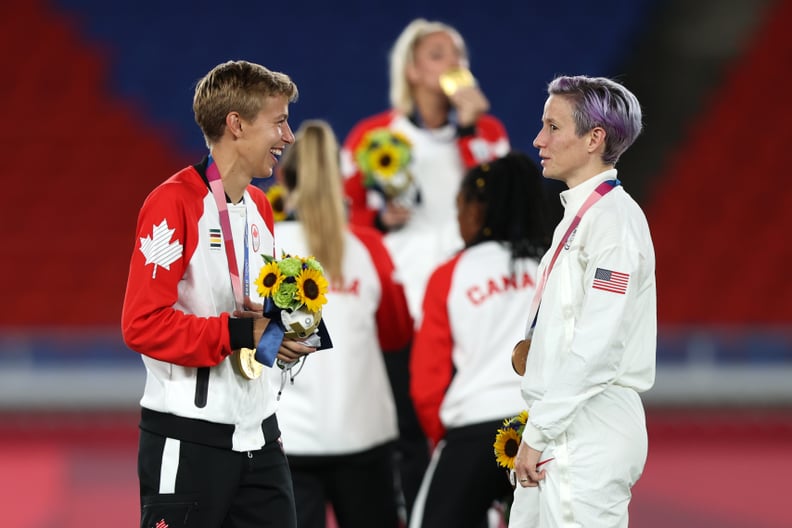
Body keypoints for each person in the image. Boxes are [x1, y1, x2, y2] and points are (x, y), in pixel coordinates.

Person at [121, 60, 317, 528]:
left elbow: (250, 317)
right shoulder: (173, 203)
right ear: (237, 124)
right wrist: (242, 331)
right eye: (278, 121)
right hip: (189, 440)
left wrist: (277, 339)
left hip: (260, 437)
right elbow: (142, 324)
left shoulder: (261, 207)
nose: (288, 137)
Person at [340, 18, 510, 518]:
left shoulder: (486, 134)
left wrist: (474, 127)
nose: (453, 63)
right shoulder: (373, 136)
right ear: (412, 69)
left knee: (476, 425)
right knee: (409, 433)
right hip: (402, 308)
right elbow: (343, 217)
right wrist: (378, 216)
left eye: (459, 54)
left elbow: (503, 201)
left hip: (473, 305)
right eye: (439, 54)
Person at [509, 75, 656, 528]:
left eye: (553, 127)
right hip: (561, 426)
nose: (538, 140)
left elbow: (597, 346)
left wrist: (538, 432)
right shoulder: (581, 218)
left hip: (586, 430)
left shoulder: (614, 223)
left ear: (595, 139)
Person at [271, 120, 414, 528]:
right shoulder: (368, 246)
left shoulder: (265, 245)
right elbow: (397, 333)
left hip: (287, 439)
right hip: (363, 433)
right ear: (341, 180)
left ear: (284, 178)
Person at [408, 152, 553, 528]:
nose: (457, 220)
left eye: (460, 208)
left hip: (474, 433)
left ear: (477, 211)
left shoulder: (451, 274)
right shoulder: (554, 265)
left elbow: (427, 381)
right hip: (546, 429)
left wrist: (446, 442)